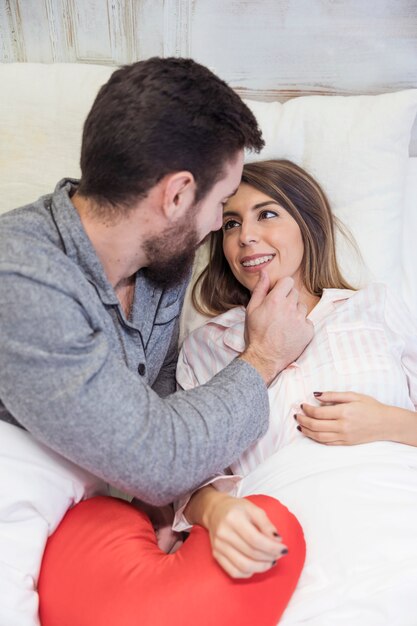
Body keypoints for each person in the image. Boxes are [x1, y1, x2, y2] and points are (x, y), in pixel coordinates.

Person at [0, 61, 313, 626]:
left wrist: (176, 508)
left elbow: (161, 401)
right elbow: (157, 455)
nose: (221, 226)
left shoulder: (159, 260)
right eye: (222, 205)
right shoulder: (20, 278)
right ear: (176, 196)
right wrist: (263, 356)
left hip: (87, 504)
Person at [173, 159, 417, 622]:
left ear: (307, 224)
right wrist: (215, 510)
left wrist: (389, 421)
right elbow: (184, 475)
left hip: (399, 510)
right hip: (284, 545)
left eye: (267, 214)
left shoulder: (375, 307)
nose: (245, 235)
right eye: (231, 223)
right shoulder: (206, 346)